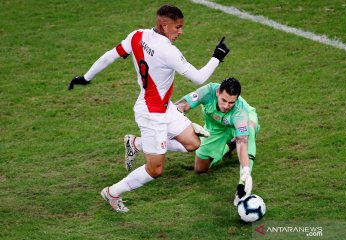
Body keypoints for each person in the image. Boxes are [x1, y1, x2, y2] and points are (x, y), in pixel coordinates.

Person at [68, 4, 229, 212]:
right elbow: (198, 77)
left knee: (192, 143)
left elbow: (111, 55)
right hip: (151, 115)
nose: (181, 32)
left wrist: (86, 77)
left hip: (165, 108)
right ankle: (112, 192)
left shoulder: (137, 35)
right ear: (163, 25)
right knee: (156, 169)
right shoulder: (168, 51)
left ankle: (136, 143)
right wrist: (217, 56)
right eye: (177, 27)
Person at [175, 77, 260, 206]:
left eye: (231, 102)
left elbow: (243, 143)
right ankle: (229, 145)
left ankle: (242, 186)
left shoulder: (240, 113)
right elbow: (178, 107)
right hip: (215, 127)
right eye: (223, 100)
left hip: (241, 124)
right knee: (200, 169)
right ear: (217, 93)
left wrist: (246, 171)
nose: (226, 106)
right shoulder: (207, 92)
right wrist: (189, 125)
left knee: (249, 131)